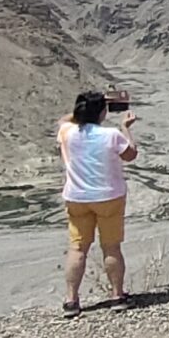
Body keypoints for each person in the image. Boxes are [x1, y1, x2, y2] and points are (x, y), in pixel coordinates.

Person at [58, 90, 138, 314]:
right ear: (103, 112)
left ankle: (71, 300)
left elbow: (63, 120)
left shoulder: (67, 132)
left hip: (76, 197)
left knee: (78, 248)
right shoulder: (111, 135)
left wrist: (88, 107)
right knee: (111, 247)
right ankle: (117, 295)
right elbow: (130, 155)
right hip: (109, 197)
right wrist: (126, 128)